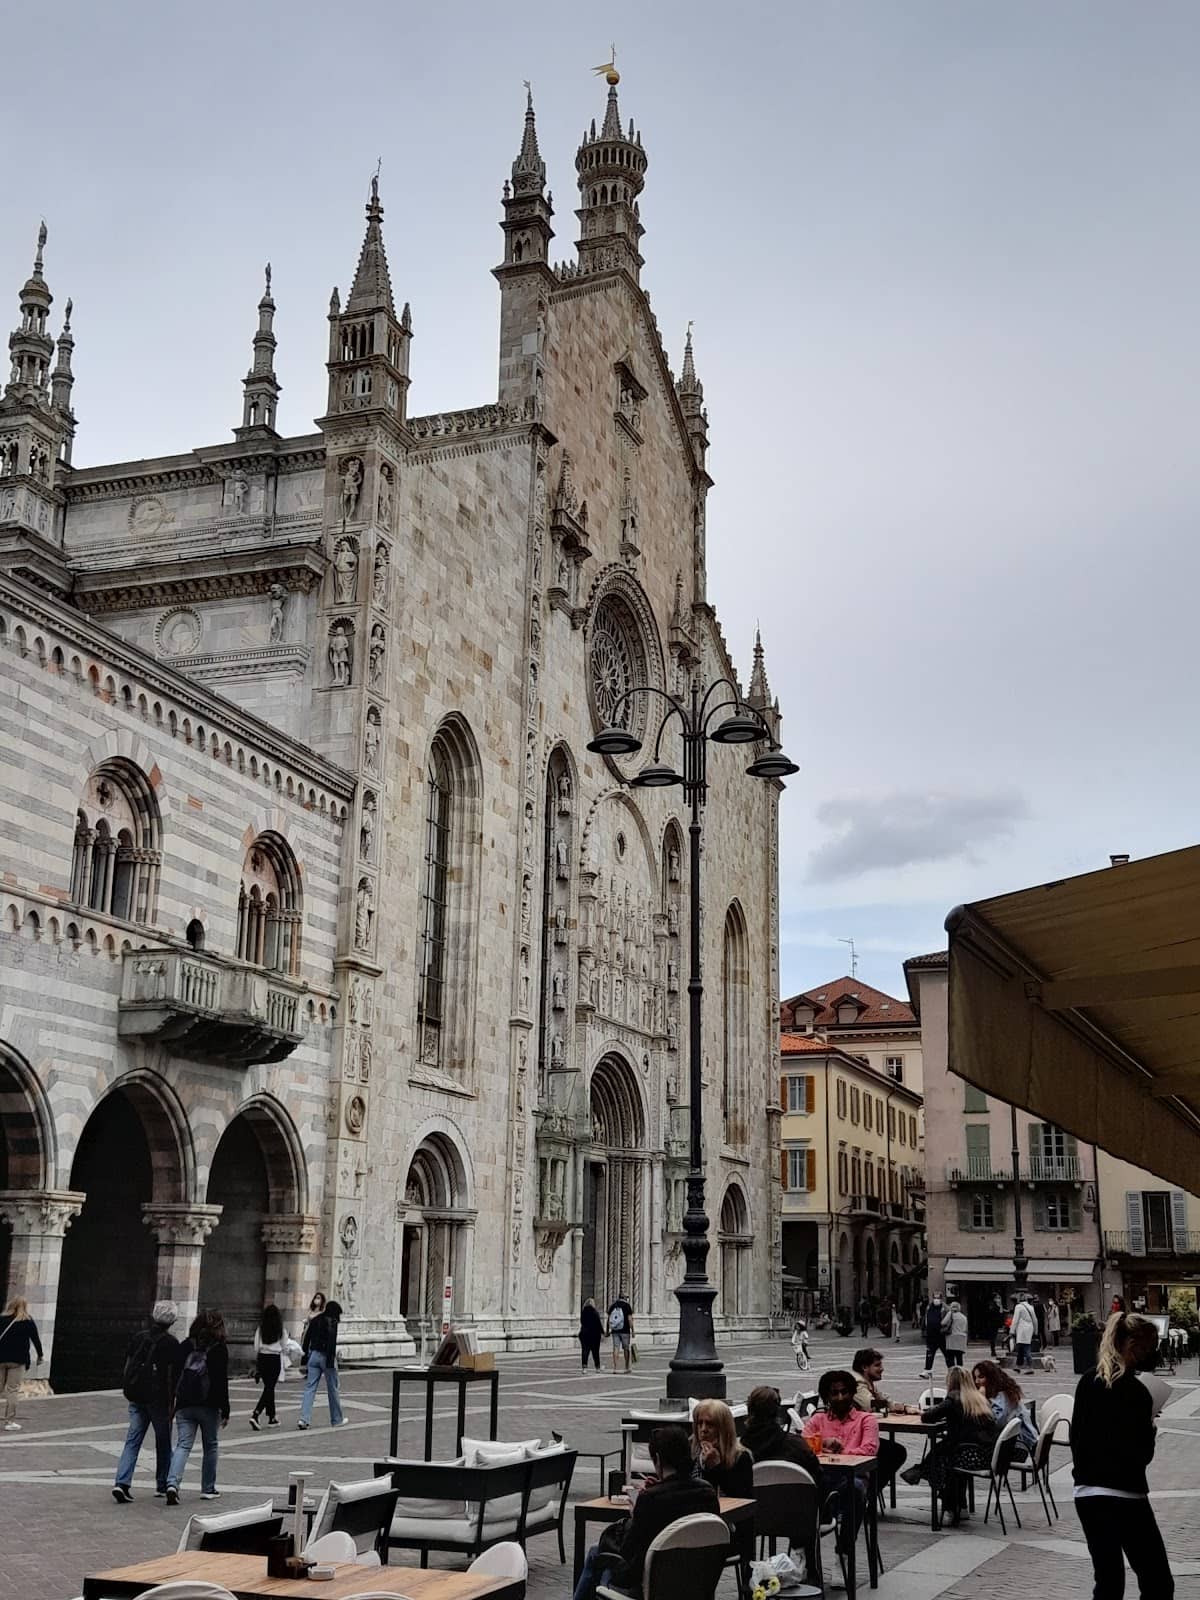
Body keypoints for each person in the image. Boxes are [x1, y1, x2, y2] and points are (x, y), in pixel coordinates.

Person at [1072, 1311, 1174, 1599]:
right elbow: (1141, 1454)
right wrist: (1149, 1425)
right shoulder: (1137, 1392)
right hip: (1126, 1495)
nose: (1150, 1355)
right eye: (1148, 1349)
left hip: (1089, 1493)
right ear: (1132, 1346)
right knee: (1157, 1581)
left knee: (1108, 1582)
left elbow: (1075, 1438)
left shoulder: (1088, 1382)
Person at [572, 1425, 718, 1600]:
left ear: (657, 1459)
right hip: (695, 1581)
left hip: (651, 1580)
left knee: (598, 1554)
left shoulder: (651, 1500)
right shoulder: (708, 1493)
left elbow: (628, 1550)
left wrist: (636, 1513)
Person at [802, 1371, 879, 1569]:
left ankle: (843, 1555)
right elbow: (802, 1445)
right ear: (826, 1396)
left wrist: (841, 1450)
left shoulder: (866, 1420)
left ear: (852, 1393)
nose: (840, 1397)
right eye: (834, 1393)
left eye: (844, 1392)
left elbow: (869, 1450)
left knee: (855, 1490)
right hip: (823, 1480)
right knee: (800, 1490)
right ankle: (802, 1554)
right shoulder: (818, 1420)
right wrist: (823, 1443)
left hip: (854, 1478)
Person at [901, 1367, 998, 1522]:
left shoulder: (953, 1398)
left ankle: (948, 1505)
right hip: (985, 1454)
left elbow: (928, 1417)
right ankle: (961, 1504)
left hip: (966, 1453)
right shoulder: (979, 1398)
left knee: (939, 1461)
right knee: (941, 1455)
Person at [112, 1299, 180, 1501]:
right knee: (163, 1442)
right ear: (173, 1320)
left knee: (132, 1440)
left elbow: (128, 1364)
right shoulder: (171, 1343)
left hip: (136, 1395)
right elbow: (173, 1375)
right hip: (158, 1399)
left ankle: (121, 1483)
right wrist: (173, 1402)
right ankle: (162, 1484)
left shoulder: (139, 1337)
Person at [165, 1309, 229, 1504]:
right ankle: (208, 1488)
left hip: (185, 1403)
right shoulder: (219, 1348)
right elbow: (221, 1382)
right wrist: (225, 1409)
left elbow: (175, 1375)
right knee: (210, 1445)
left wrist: (173, 1401)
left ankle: (172, 1484)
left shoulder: (185, 1345)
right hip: (209, 1405)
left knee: (183, 1444)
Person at [743, 1386, 824, 1491]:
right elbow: (819, 1478)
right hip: (799, 1505)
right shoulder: (797, 1446)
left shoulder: (738, 1453)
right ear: (778, 1411)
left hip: (756, 1506)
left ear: (749, 1411)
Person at [850, 1348, 908, 1494]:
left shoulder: (866, 1382)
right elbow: (872, 1404)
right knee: (895, 1452)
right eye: (877, 1365)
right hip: (852, 1438)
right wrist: (894, 1406)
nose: (882, 1369)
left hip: (860, 1434)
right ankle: (869, 1494)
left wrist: (902, 1407)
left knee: (892, 1451)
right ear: (864, 1367)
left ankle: (870, 1492)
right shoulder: (857, 1383)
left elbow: (882, 1399)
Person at [971, 1360, 1038, 1455]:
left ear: (991, 1378)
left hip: (1019, 1446)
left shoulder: (1002, 1396)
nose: (976, 1381)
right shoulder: (1005, 1391)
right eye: (975, 1377)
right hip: (1018, 1442)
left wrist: (982, 1401)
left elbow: (997, 1423)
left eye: (981, 1377)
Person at [298, 1298, 344, 1430]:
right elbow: (331, 1343)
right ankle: (336, 1419)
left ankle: (304, 1419)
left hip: (313, 1355)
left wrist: (304, 1360)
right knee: (333, 1388)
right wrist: (331, 1362)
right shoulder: (332, 1322)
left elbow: (306, 1339)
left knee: (310, 1388)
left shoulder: (316, 1319)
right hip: (326, 1356)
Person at [693, 1398, 753, 1496]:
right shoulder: (693, 1454)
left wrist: (716, 1467)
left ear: (723, 1428)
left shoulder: (740, 1457)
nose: (703, 1429)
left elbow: (742, 1497)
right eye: (700, 1423)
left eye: (710, 1424)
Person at [0, 1296, 43, 1432]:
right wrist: (40, 1356)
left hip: (0, 1360)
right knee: (12, 1391)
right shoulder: (28, 1321)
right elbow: (36, 1340)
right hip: (18, 1361)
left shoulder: (1, 1319)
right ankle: (9, 1421)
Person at [250, 1303, 289, 1430]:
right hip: (274, 1358)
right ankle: (256, 1413)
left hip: (262, 1358)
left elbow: (256, 1346)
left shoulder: (260, 1329)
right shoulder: (280, 1329)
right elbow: (284, 1346)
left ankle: (272, 1417)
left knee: (269, 1387)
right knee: (270, 1388)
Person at [919, 1294, 949, 1378]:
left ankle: (951, 1370)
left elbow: (949, 1320)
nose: (936, 1299)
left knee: (947, 1354)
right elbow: (926, 1318)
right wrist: (924, 1329)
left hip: (942, 1335)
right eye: (935, 1298)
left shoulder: (945, 1308)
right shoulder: (929, 1307)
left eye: (938, 1298)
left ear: (941, 1299)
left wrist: (945, 1329)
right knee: (929, 1353)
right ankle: (927, 1371)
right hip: (931, 1335)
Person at [1010, 1293, 1038, 1375]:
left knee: (1025, 1348)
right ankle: (1018, 1366)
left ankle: (1030, 1367)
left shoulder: (1018, 1307)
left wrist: (1012, 1330)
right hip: (1029, 1329)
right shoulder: (1031, 1307)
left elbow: (1015, 1319)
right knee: (1022, 1348)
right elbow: (1035, 1320)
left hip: (1022, 1329)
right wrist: (1035, 1330)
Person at [607, 1292, 634, 1374]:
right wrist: (633, 1330)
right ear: (625, 1298)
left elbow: (609, 1320)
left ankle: (615, 1367)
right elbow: (630, 1319)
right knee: (626, 1348)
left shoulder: (613, 1305)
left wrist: (607, 1330)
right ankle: (626, 1366)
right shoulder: (627, 1306)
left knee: (615, 1348)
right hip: (625, 1331)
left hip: (615, 1330)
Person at [578, 1298, 604, 1372]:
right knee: (595, 1352)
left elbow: (582, 1322)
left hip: (584, 1334)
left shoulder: (583, 1312)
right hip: (594, 1335)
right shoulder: (595, 1312)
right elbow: (598, 1324)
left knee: (585, 1351)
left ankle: (584, 1367)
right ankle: (597, 1367)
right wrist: (603, 1332)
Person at [945, 1300, 969, 1367]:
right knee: (959, 1358)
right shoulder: (964, 1317)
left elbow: (943, 1323)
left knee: (951, 1357)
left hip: (952, 1338)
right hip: (961, 1339)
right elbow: (965, 1329)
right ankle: (960, 1372)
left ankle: (952, 1372)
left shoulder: (950, 1314)